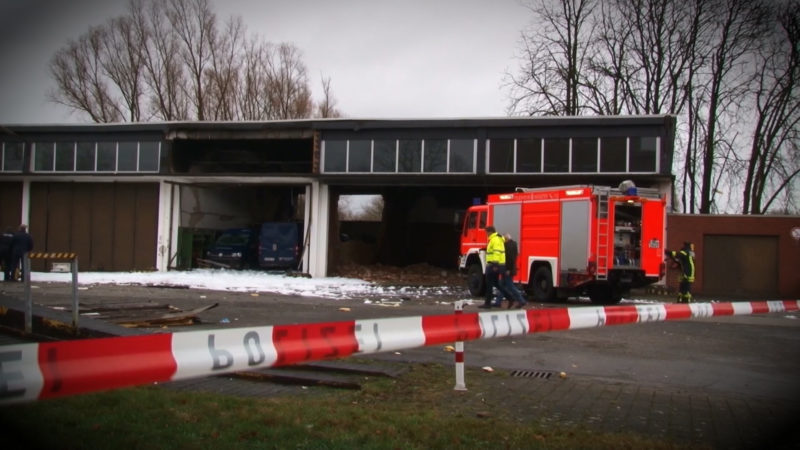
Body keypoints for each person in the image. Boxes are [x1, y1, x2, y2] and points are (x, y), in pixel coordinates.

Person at [479, 225, 514, 309]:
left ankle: (487, 303)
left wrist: (495, 264)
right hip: (496, 265)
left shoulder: (495, 239)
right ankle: (510, 298)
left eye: (486, 232)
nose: (486, 234)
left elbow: (496, 252)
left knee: (489, 284)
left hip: (493, 265)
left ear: (490, 232)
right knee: (496, 283)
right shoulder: (496, 239)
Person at [494, 233, 527, 309]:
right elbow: (514, 258)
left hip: (507, 269)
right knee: (502, 285)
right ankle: (498, 302)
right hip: (509, 269)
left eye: (504, 240)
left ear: (506, 239)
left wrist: (508, 269)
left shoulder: (508, 246)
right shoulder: (514, 244)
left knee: (510, 286)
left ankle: (521, 300)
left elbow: (509, 259)